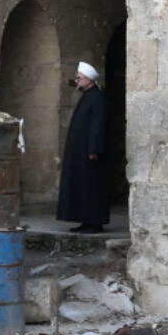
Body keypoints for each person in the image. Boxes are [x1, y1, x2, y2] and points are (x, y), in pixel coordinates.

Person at [56, 61, 108, 233]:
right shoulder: (88, 96)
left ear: (88, 80)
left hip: (89, 152)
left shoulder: (97, 97)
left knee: (91, 185)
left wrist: (94, 149)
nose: (76, 81)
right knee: (82, 185)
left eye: (79, 78)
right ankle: (86, 220)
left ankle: (94, 222)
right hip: (80, 151)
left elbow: (98, 124)